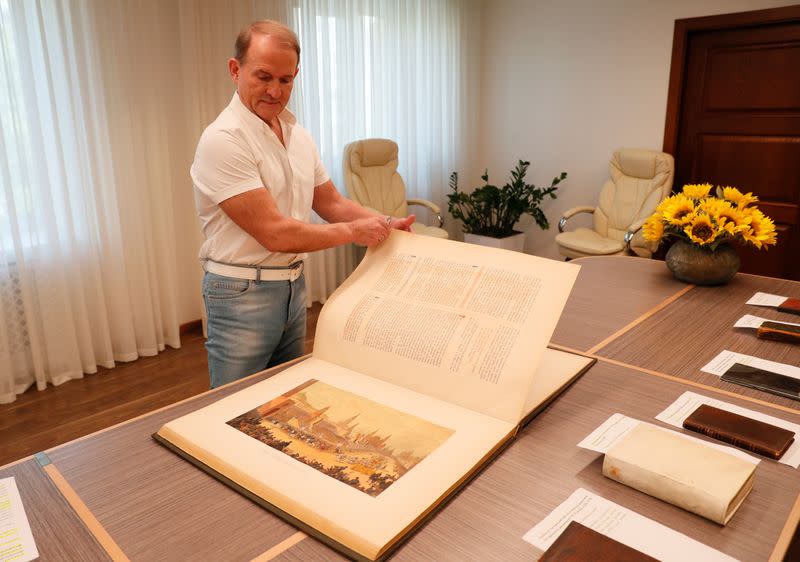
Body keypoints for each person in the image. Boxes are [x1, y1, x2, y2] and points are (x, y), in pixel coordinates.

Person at [191, 20, 414, 388]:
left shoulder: (299, 136)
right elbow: (275, 233)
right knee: (235, 409)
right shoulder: (223, 140)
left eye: (285, 80)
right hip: (241, 294)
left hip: (293, 288)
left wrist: (387, 222)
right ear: (235, 70)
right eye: (263, 77)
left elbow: (331, 202)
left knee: (284, 401)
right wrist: (353, 232)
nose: (274, 91)